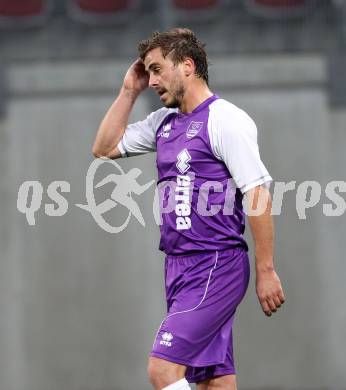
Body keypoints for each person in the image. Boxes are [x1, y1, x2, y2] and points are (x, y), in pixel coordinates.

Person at [92, 28, 285, 390]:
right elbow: (104, 148)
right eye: (147, 72)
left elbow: (257, 194)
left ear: (186, 66)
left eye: (157, 69)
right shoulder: (163, 123)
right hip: (179, 269)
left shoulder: (226, 120)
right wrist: (128, 91)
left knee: (163, 370)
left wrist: (266, 270)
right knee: (215, 381)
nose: (151, 80)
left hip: (215, 264)